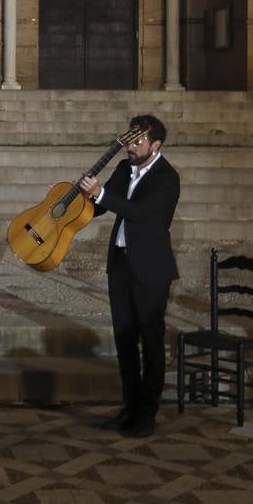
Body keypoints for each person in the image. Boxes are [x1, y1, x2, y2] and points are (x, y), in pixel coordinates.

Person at [77, 115, 180, 439]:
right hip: (120, 265)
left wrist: (101, 194)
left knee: (151, 342)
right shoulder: (124, 168)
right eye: (130, 140)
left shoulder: (167, 178)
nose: (131, 147)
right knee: (124, 341)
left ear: (156, 145)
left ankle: (147, 414)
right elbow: (103, 206)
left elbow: (140, 213)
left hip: (151, 270)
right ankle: (130, 408)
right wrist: (79, 197)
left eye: (138, 142)